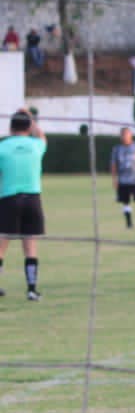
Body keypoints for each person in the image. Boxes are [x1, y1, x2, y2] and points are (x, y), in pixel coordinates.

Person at [0, 109, 47, 300]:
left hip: (9, 198)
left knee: (1, 247)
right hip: (32, 199)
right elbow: (41, 135)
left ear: (11, 127)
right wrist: (30, 116)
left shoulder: (2, 147)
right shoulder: (36, 145)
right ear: (29, 126)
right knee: (30, 247)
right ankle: (31, 289)